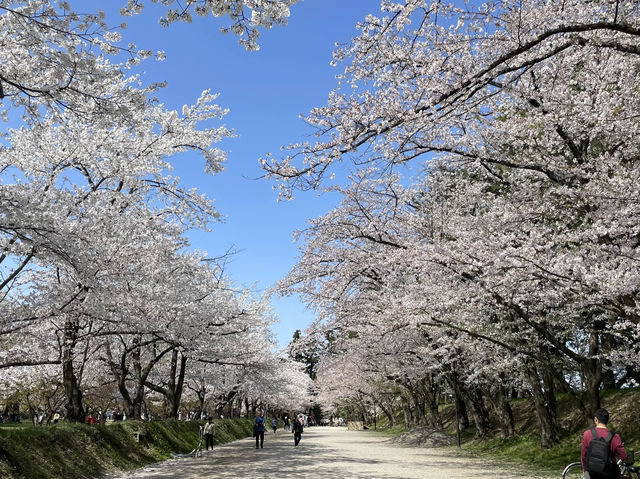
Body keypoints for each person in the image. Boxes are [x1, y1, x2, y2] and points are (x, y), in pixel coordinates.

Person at [581, 408, 627, 479]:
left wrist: (585, 471)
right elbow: (623, 456)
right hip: (610, 473)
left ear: (595, 419)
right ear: (607, 420)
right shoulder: (615, 437)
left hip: (592, 473)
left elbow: (583, 456)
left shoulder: (587, 434)